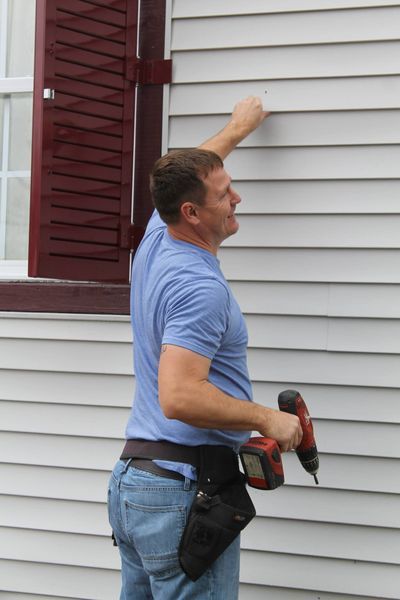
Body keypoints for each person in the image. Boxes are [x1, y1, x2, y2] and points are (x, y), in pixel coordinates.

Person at [108, 96, 303, 599]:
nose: (236, 198)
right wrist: (267, 419)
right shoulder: (199, 287)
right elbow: (180, 396)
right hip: (181, 493)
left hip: (137, 484)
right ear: (191, 212)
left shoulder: (158, 234)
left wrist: (236, 130)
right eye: (224, 194)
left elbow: (192, 169)